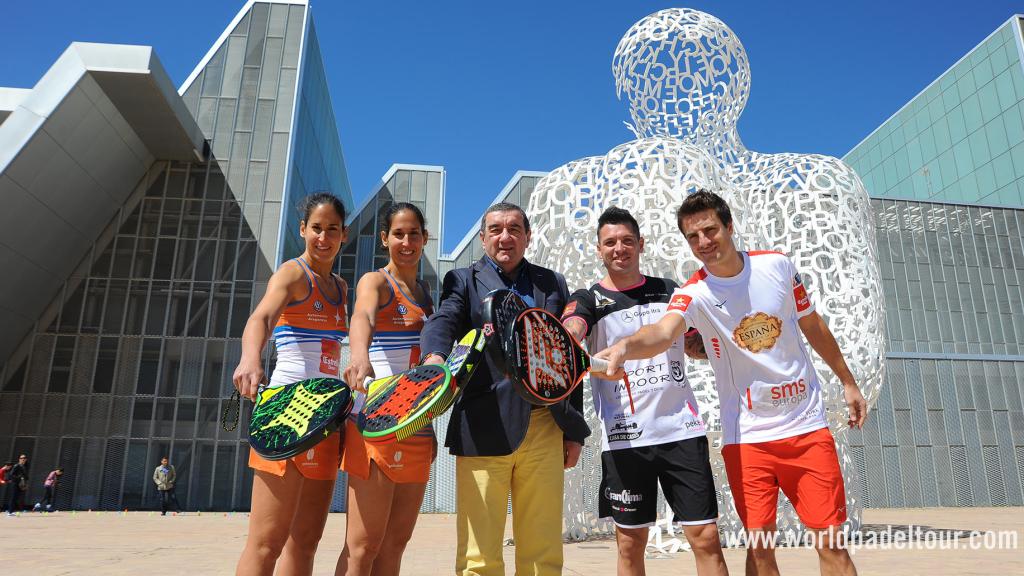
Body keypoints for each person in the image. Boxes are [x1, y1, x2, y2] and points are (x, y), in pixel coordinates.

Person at [595, 190, 867, 576]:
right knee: (759, 549)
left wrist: (848, 381)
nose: (704, 242)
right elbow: (661, 332)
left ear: (729, 226)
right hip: (748, 440)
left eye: (710, 230)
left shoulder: (778, 266)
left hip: (807, 428)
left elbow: (813, 324)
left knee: (831, 544)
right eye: (693, 237)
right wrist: (625, 346)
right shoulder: (692, 293)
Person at [419, 202, 590, 576]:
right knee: (479, 555)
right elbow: (443, 320)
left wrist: (573, 429)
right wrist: (434, 356)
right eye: (495, 229)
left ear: (527, 236)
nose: (505, 236)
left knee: (542, 550)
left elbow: (567, 358)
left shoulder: (552, 283)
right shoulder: (463, 280)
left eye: (514, 228)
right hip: (484, 424)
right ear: (482, 238)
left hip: (545, 426)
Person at [561, 207, 728, 576]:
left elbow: (696, 345)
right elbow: (572, 329)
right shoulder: (587, 299)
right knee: (630, 545)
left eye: (626, 241)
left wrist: (732, 345)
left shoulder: (670, 290)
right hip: (625, 440)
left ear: (641, 244)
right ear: (598, 249)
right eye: (610, 242)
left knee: (705, 538)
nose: (619, 248)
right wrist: (572, 340)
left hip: (682, 431)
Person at [233, 192, 349, 576]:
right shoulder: (292, 273)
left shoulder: (341, 289)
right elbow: (261, 319)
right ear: (303, 230)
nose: (323, 237)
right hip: (286, 413)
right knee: (267, 542)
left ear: (343, 235)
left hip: (326, 419)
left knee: (306, 541)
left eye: (332, 229)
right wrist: (251, 359)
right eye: (316, 228)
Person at [336, 202, 435, 576]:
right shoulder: (375, 282)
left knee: (395, 546)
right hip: (374, 425)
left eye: (414, 234)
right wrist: (359, 355)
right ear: (384, 239)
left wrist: (428, 425)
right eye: (398, 234)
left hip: (415, 428)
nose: (406, 241)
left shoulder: (427, 296)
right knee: (363, 547)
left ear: (425, 239)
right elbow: (361, 315)